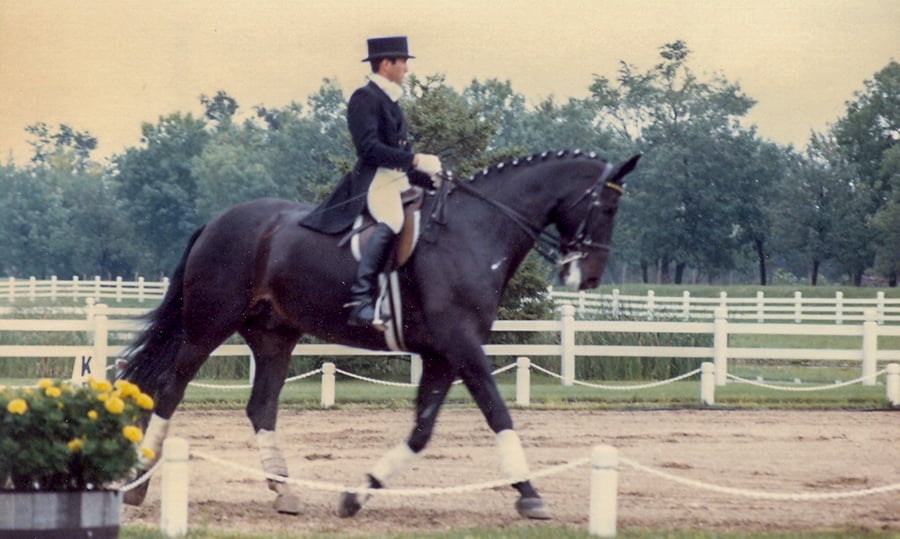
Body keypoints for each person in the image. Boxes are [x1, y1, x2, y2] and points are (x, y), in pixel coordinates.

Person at [300, 36, 442, 328]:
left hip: (395, 178)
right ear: (386, 63)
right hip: (373, 178)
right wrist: (415, 160)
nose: (406, 69)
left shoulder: (392, 101)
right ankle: (360, 299)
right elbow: (369, 149)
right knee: (391, 219)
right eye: (402, 62)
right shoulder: (364, 98)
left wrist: (431, 178)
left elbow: (400, 155)